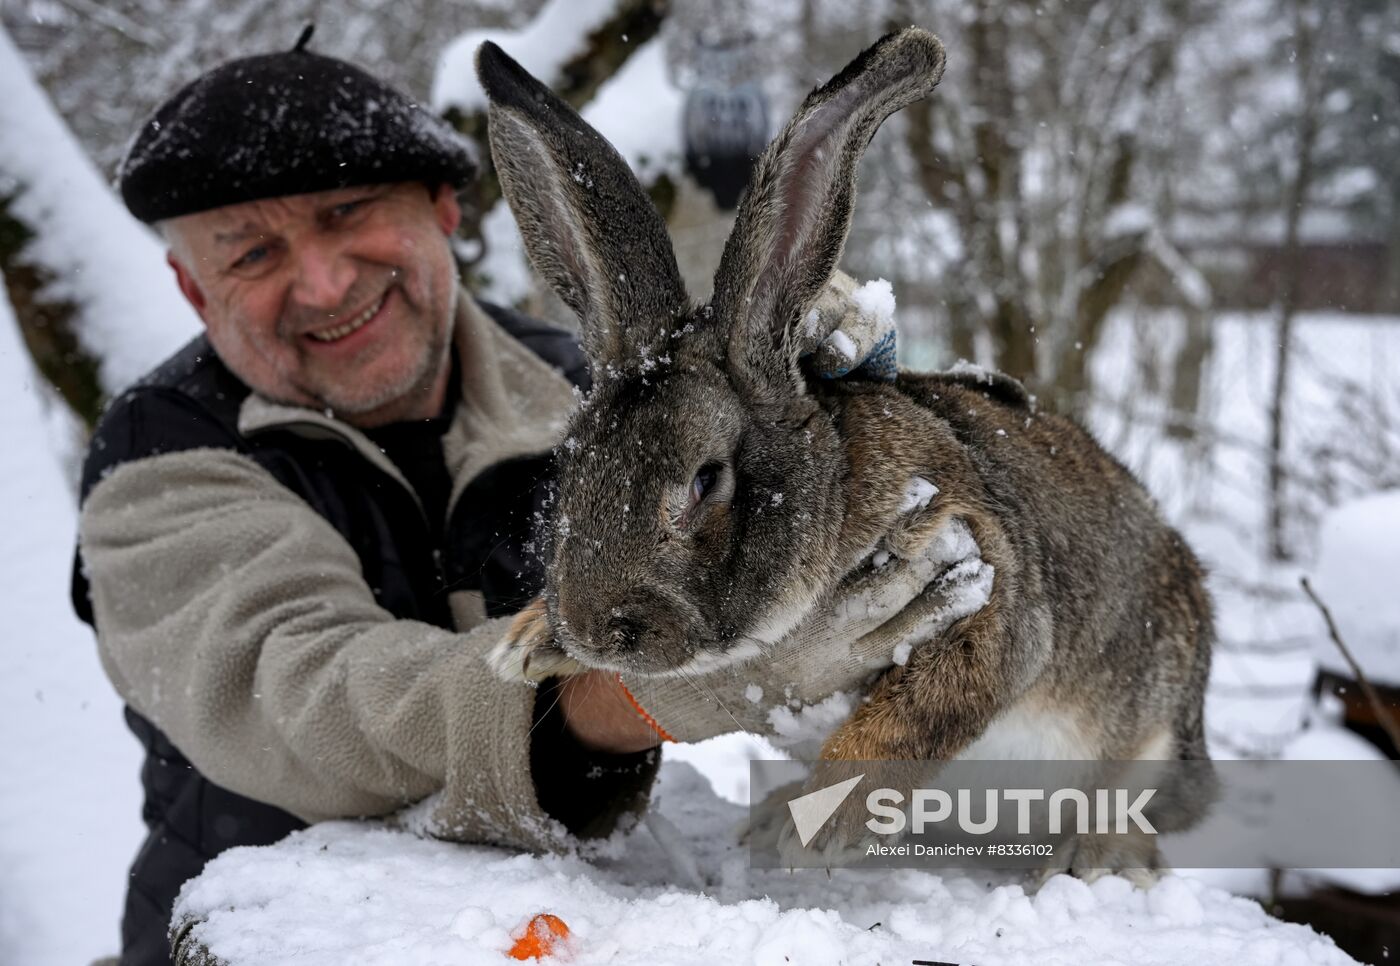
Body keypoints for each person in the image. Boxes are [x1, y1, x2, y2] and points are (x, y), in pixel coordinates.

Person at [71, 35, 948, 966]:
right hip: (276, 937)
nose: (324, 283)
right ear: (188, 287)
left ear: (446, 207)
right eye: (252, 252)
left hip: (561, 928)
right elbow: (313, 702)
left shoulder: (597, 391)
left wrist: (815, 433)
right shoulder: (160, 459)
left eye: (349, 212)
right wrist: (631, 695)